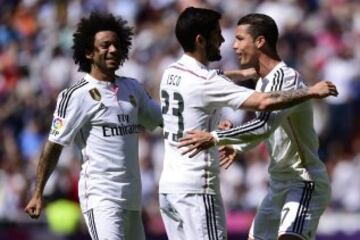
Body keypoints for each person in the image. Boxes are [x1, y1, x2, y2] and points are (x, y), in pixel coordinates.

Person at [160, 8, 337, 240]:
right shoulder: (263, 83)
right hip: (278, 184)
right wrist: (237, 146)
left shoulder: (287, 78)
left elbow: (264, 125)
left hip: (303, 180)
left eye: (240, 39)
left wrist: (215, 138)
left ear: (260, 41)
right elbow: (266, 130)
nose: (233, 46)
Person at [24, 12, 162, 240]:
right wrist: (38, 192)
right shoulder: (76, 95)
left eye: (117, 45)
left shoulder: (133, 88)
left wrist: (211, 123)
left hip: (132, 200)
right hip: (101, 199)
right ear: (89, 52)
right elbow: (54, 145)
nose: (114, 50)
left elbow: (163, 120)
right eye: (105, 45)